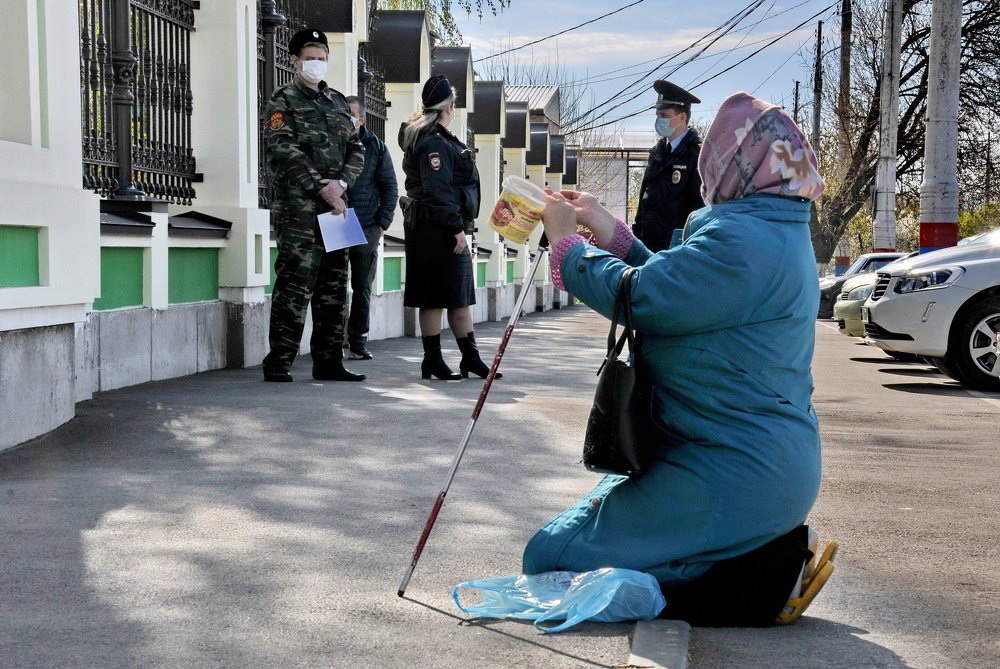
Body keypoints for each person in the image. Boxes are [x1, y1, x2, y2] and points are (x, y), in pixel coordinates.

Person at [527, 92, 836, 626]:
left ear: (734, 162)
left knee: (549, 557)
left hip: (728, 469)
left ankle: (762, 572)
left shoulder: (742, 237)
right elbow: (686, 292)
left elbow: (648, 299)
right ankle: (756, 546)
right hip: (745, 464)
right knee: (598, 511)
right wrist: (614, 234)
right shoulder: (774, 231)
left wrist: (568, 249)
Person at [261, 28, 366, 383]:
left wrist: (342, 185)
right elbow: (282, 147)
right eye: (310, 57)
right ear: (294, 60)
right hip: (300, 211)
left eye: (321, 58)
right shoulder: (283, 100)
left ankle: (329, 361)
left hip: (337, 210)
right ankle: (279, 360)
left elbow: (357, 148)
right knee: (295, 284)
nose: (316, 63)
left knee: (336, 288)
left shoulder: (337, 102)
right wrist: (322, 189)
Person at [397, 74, 499, 381]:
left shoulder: (435, 137)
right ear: (449, 107)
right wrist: (456, 230)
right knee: (434, 297)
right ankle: (434, 361)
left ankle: (471, 358)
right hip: (436, 229)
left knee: (457, 295)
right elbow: (438, 190)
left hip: (439, 226)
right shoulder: (433, 143)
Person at [343, 95, 399, 361]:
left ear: (361, 119)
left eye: (350, 115)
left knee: (362, 286)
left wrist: (381, 224)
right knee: (332, 285)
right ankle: (331, 343)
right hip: (337, 221)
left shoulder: (376, 148)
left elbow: (390, 187)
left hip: (366, 226)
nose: (346, 120)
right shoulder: (333, 143)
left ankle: (357, 341)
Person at [632, 80, 705, 252]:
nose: (659, 120)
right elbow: (644, 202)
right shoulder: (656, 153)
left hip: (676, 251)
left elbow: (700, 208)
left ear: (682, 118)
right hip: (647, 246)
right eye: (658, 115)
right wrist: (636, 236)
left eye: (664, 116)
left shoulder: (697, 156)